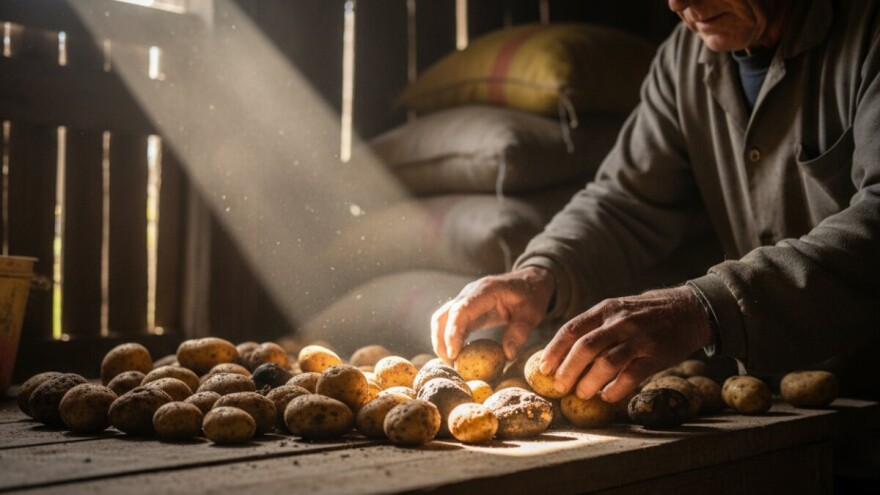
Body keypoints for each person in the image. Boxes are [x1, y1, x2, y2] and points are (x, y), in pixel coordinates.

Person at [431, 0, 880, 405]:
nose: (678, 2)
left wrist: (704, 308)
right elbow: (624, 202)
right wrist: (540, 275)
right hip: (781, 405)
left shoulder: (868, 32)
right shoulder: (684, 57)